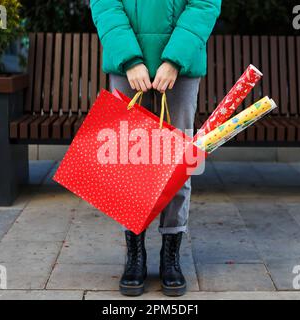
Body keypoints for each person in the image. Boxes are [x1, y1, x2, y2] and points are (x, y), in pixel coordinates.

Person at [90, 0, 221, 296]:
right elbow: (104, 4)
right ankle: (134, 252)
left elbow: (205, 4)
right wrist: (130, 59)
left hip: (182, 67)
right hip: (127, 67)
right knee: (129, 164)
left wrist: (175, 58)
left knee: (177, 163)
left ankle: (170, 254)